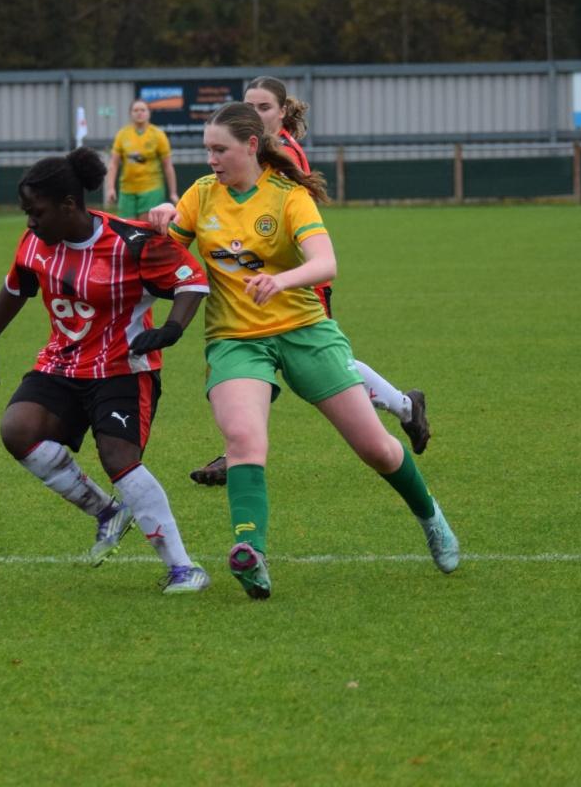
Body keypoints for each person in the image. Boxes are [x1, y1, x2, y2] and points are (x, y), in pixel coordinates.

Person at [148, 102, 459, 599]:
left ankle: (431, 517)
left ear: (251, 146)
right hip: (235, 340)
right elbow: (163, 253)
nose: (211, 159)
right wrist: (162, 220)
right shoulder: (201, 196)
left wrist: (282, 280)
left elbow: (326, 263)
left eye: (219, 149)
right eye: (206, 149)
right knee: (243, 441)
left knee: (376, 448)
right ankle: (251, 553)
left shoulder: (288, 197)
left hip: (305, 332)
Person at [0, 147, 212, 593]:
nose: (29, 222)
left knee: (118, 458)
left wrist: (173, 327)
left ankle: (184, 568)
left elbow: (192, 279)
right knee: (17, 430)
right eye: (26, 212)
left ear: (68, 205)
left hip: (123, 367)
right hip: (61, 363)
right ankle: (107, 512)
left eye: (36, 212)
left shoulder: (131, 241)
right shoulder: (36, 243)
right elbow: (14, 288)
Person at [187, 76, 430, 487]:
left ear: (282, 112)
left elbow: (289, 225)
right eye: (250, 106)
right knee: (257, 368)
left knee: (333, 371)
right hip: (261, 283)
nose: (257, 114)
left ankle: (404, 407)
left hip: (297, 283)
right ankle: (239, 451)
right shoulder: (237, 161)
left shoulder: (283, 157)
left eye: (265, 107)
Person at [105, 99, 179, 219]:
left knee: (144, 227)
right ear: (130, 113)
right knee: (126, 228)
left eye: (143, 110)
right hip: (127, 189)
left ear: (149, 113)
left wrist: (173, 193)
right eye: (135, 110)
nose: (139, 113)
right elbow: (113, 164)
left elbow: (168, 166)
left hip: (151, 189)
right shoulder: (122, 134)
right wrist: (110, 188)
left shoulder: (158, 135)